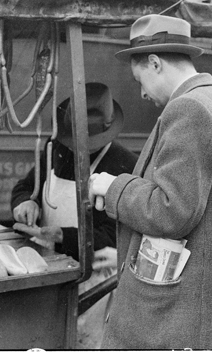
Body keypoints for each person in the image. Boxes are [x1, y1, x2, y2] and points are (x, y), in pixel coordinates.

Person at [89, 14, 212, 350]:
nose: (143, 94)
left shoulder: (190, 108)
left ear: (154, 63)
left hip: (182, 316)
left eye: (140, 81)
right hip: (208, 312)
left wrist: (112, 188)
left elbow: (172, 210)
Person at [10, 82, 138, 261]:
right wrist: (25, 202)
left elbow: (116, 234)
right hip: (47, 259)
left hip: (93, 270)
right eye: (73, 141)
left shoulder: (126, 164)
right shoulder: (57, 147)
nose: (78, 149)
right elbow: (26, 186)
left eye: (89, 143)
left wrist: (64, 236)